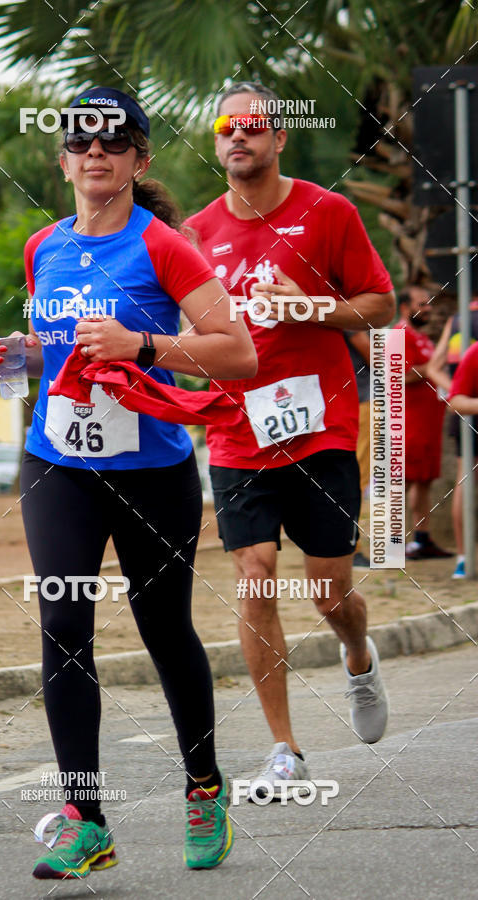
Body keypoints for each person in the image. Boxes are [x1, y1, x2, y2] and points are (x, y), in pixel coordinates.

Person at [0, 87, 257, 878]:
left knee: (164, 629)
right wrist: (28, 356)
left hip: (151, 469)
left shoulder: (166, 245)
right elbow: (61, 350)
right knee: (64, 628)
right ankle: (86, 818)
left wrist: (141, 342)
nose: (94, 153)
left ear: (140, 159)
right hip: (59, 460)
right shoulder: (44, 247)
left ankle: (204, 788)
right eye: (80, 142)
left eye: (113, 142)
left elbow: (235, 354)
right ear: (62, 159)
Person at [183, 81, 394, 799]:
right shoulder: (197, 233)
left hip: (320, 429)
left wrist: (302, 305)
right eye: (225, 128)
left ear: (279, 140)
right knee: (255, 573)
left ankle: (358, 656)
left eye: (252, 127)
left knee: (330, 596)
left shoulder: (327, 212)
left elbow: (380, 302)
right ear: (217, 144)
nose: (237, 137)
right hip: (238, 434)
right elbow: (185, 331)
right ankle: (285, 748)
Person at [394, 287, 453, 560]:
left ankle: (421, 539)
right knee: (403, 481)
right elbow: (399, 376)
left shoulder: (423, 339)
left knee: (424, 481)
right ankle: (392, 543)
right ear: (405, 307)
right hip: (409, 423)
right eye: (422, 304)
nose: (428, 309)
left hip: (429, 422)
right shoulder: (398, 335)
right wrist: (428, 369)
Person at [426, 297, 478, 577]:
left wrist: (458, 389)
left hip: (467, 408)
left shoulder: (458, 319)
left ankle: (463, 556)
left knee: (464, 479)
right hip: (468, 408)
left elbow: (433, 368)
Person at [344, 330, 372, 568]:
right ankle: (353, 548)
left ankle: (350, 546)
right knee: (358, 477)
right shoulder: (349, 312)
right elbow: (377, 357)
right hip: (361, 401)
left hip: (353, 400)